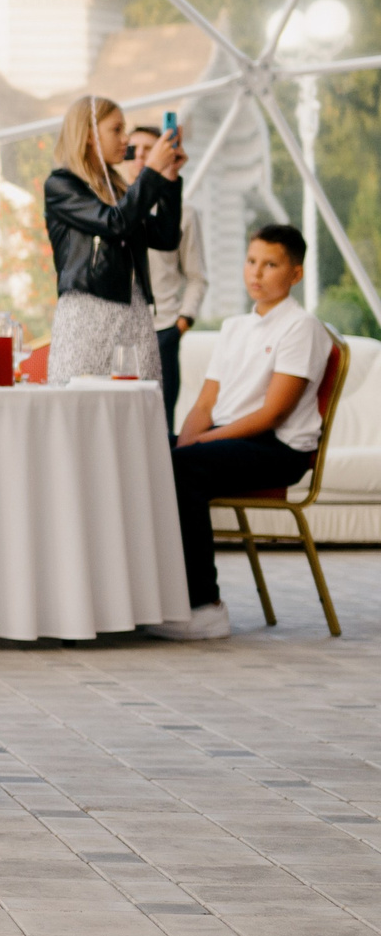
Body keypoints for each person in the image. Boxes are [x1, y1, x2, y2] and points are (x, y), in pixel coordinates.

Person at [149, 225, 331, 642]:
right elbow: (204, 405)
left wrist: (196, 446)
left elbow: (272, 414)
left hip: (279, 448)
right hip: (230, 437)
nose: (257, 273)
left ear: (296, 274)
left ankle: (206, 606)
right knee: (147, 454)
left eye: (271, 264)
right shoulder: (234, 327)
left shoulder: (301, 327)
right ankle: (158, 594)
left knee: (184, 468)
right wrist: (184, 442)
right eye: (252, 262)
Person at [46, 95, 184, 385]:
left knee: (136, 410)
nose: (127, 140)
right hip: (88, 314)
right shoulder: (61, 184)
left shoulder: (120, 190)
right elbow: (114, 223)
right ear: (88, 135)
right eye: (117, 130)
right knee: (81, 406)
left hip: (133, 313)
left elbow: (166, 238)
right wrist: (152, 172)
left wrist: (170, 180)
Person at [127, 122, 207, 424]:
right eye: (133, 150)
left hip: (163, 331)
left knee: (159, 421)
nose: (140, 157)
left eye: (149, 150)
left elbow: (197, 276)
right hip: (121, 330)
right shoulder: (111, 210)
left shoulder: (184, 214)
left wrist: (181, 324)